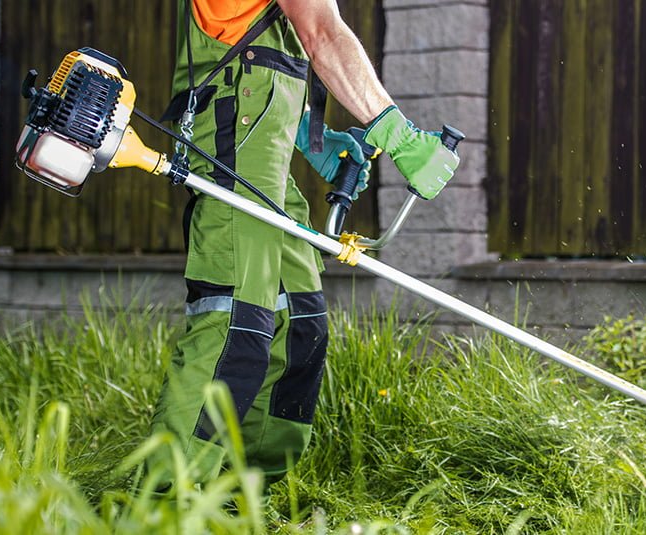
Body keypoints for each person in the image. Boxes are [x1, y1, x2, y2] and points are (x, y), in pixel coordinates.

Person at [148, 0, 459, 488]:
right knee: (236, 324)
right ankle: (164, 505)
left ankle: (243, 493)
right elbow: (322, 33)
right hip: (238, 135)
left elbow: (259, 48)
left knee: (299, 320)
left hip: (258, 145)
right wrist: (401, 136)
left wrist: (311, 141)